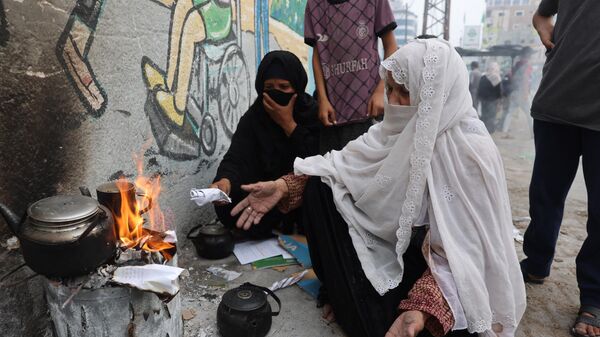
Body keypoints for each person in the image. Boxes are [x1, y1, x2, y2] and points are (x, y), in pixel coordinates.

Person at [231, 38, 526, 337]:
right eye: (391, 89)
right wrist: (284, 186)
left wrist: (423, 307)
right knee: (320, 186)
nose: (393, 102)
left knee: (429, 327)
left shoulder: (470, 152)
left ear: (437, 93)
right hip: (396, 252)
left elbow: (468, 253)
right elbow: (340, 165)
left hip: (444, 279)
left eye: (406, 91)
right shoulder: (391, 132)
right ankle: (346, 296)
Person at [520, 0, 600, 336]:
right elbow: (542, 12)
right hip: (557, 99)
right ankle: (537, 262)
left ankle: (595, 297)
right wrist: (543, 26)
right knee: (545, 193)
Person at [210, 51, 320, 238]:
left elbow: (317, 159)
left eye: (284, 87)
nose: (275, 92)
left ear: (297, 87)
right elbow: (237, 157)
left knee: (319, 190)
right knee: (230, 206)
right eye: (269, 87)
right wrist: (224, 182)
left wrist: (289, 125)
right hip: (266, 192)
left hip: (300, 193)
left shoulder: (312, 114)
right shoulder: (255, 117)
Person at [304, 0, 398, 153]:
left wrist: (381, 90)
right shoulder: (314, 5)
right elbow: (317, 55)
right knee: (331, 173)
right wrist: (322, 99)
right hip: (332, 117)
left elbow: (391, 47)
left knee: (367, 172)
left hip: (369, 112)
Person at [477, 62, 502, 133]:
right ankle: (490, 130)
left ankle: (484, 129)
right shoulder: (496, 77)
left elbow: (479, 89)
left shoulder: (483, 77)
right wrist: (499, 102)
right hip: (492, 100)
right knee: (491, 115)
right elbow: (498, 91)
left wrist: (480, 98)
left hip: (484, 100)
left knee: (484, 115)